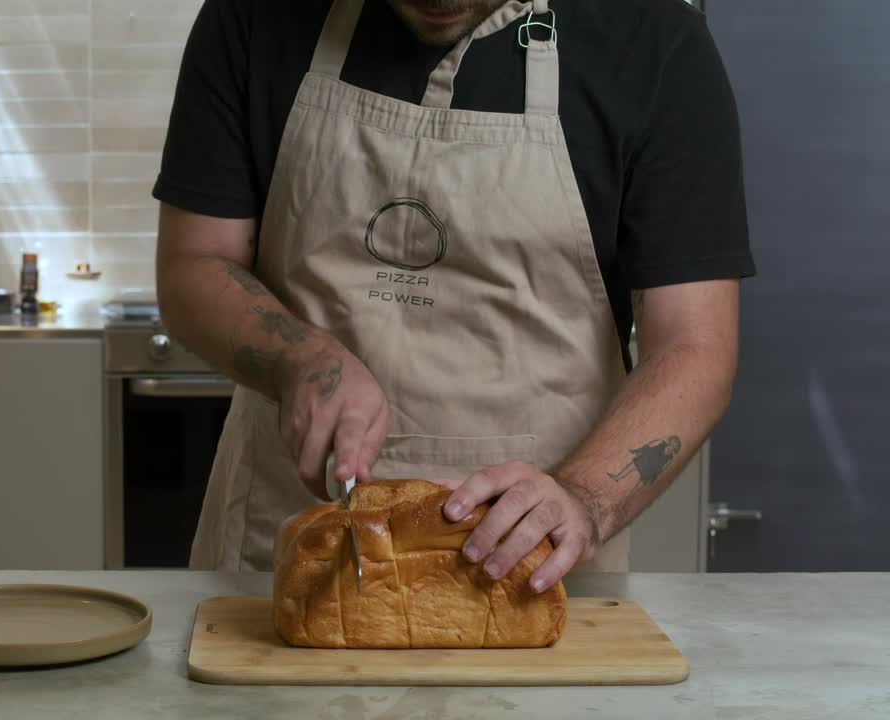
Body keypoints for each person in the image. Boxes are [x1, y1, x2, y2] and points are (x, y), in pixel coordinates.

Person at [153, 0, 755, 589]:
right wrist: (299, 359)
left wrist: (584, 497)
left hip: (534, 561)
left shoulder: (657, 45)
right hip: (287, 545)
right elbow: (195, 264)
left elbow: (692, 347)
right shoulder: (253, 17)